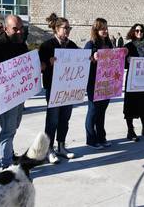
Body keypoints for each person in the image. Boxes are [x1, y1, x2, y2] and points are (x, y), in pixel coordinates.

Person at [0, 15, 29, 169]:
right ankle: (6, 163)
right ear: (5, 29)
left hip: (20, 94)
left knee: (15, 126)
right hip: (7, 96)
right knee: (8, 129)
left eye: (21, 28)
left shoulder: (22, 45)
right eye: (15, 29)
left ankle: (9, 154)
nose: (19, 32)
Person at [39, 13, 78, 164]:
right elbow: (39, 67)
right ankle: (49, 149)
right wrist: (48, 63)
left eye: (69, 28)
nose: (67, 31)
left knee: (65, 118)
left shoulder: (71, 45)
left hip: (69, 89)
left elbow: (80, 59)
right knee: (52, 120)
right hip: (53, 88)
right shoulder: (47, 45)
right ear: (56, 29)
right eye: (65, 28)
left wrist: (88, 58)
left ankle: (61, 146)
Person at [84, 18, 115, 149]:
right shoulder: (90, 44)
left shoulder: (108, 43)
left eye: (106, 28)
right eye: (102, 28)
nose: (105, 31)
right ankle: (91, 140)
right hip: (94, 82)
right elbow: (83, 60)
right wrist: (92, 57)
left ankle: (101, 137)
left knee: (102, 111)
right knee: (93, 111)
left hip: (106, 82)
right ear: (96, 30)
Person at [123, 24, 144, 142]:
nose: (139, 32)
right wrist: (127, 60)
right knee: (130, 106)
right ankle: (130, 131)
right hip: (133, 80)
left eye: (141, 30)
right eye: (137, 30)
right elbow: (122, 64)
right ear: (133, 32)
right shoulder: (128, 46)